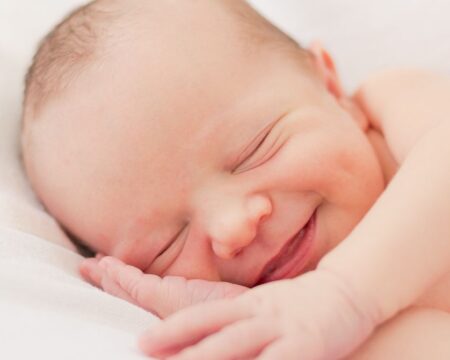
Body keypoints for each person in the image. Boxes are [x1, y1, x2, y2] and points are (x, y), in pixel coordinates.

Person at [20, 0, 450, 358]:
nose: (232, 228)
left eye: (255, 150)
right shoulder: (323, 324)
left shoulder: (395, 106)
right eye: (167, 246)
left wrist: (344, 293)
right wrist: (257, 319)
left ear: (331, 85)